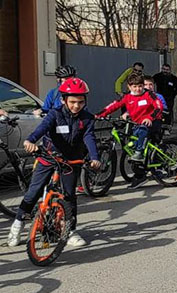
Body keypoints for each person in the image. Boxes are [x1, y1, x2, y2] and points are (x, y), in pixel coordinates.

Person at [8, 78, 100, 248]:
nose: (76, 106)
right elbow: (42, 128)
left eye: (80, 102)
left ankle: (70, 230)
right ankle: (18, 225)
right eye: (72, 102)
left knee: (69, 196)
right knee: (33, 192)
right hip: (49, 156)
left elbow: (89, 137)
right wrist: (31, 140)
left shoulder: (87, 118)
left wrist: (95, 157)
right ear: (64, 100)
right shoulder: (55, 114)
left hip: (71, 160)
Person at [99, 73, 164, 166]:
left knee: (142, 131)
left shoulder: (149, 94)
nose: (138, 89)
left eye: (140, 86)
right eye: (135, 87)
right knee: (133, 139)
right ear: (129, 87)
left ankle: (139, 153)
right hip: (137, 122)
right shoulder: (127, 97)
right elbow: (113, 106)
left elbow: (159, 107)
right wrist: (99, 115)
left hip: (153, 121)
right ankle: (139, 166)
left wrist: (150, 117)